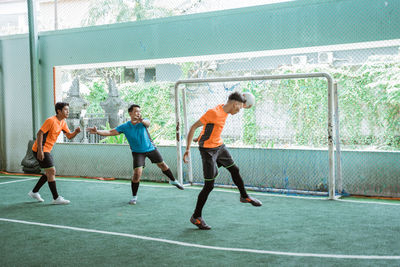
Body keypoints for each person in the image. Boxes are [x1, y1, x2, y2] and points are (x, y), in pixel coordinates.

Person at [183, 92, 262, 230]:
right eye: (239, 108)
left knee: (234, 169)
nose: (239, 111)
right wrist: (188, 149)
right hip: (208, 151)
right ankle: (196, 217)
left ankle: (244, 196)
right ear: (234, 104)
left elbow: (210, 128)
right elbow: (194, 127)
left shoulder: (225, 108)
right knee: (209, 186)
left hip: (219, 147)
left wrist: (201, 137)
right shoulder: (213, 112)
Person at [87, 104, 184, 205]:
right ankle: (134, 197)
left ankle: (173, 180)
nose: (138, 113)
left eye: (139, 111)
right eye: (136, 111)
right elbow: (110, 132)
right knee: (137, 174)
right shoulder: (125, 126)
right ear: (130, 113)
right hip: (137, 152)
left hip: (151, 149)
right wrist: (97, 131)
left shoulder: (143, 122)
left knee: (162, 165)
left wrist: (142, 120)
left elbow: (148, 123)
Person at [28, 102, 81, 204]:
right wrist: (40, 150)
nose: (67, 112)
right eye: (65, 110)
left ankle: (34, 192)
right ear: (59, 111)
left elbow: (69, 136)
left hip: (47, 149)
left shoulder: (63, 122)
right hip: (41, 149)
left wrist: (76, 132)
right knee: (51, 171)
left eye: (68, 110)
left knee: (48, 172)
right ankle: (56, 198)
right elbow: (39, 133)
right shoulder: (51, 121)